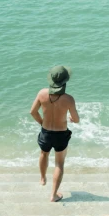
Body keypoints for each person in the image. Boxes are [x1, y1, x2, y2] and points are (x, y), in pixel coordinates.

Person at [30, 65, 80, 202]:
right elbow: (76, 119)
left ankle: (42, 178)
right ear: (65, 81)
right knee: (59, 163)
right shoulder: (69, 99)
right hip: (60, 134)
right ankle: (54, 195)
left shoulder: (42, 94)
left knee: (43, 154)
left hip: (46, 132)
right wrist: (71, 119)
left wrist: (42, 122)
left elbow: (33, 112)